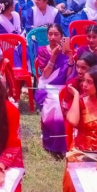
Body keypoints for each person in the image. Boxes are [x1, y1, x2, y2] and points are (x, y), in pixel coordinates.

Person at [35, 24, 73, 156]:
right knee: (57, 104)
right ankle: (54, 143)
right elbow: (45, 75)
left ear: (61, 36)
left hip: (63, 85)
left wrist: (71, 59)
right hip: (47, 85)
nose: (53, 37)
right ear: (47, 35)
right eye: (50, 34)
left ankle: (66, 142)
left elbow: (68, 76)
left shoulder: (66, 51)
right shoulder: (42, 51)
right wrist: (54, 56)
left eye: (56, 34)